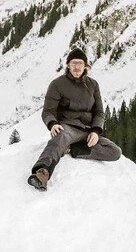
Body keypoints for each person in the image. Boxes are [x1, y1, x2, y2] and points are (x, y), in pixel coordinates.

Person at [28, 47, 122, 191]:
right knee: (59, 138)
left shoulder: (93, 85)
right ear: (68, 65)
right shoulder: (57, 84)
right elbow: (48, 111)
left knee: (115, 152)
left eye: (80, 63)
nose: (77, 67)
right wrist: (52, 124)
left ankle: (71, 148)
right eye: (74, 63)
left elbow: (99, 111)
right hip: (68, 127)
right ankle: (42, 172)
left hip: (88, 131)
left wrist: (96, 131)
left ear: (85, 66)